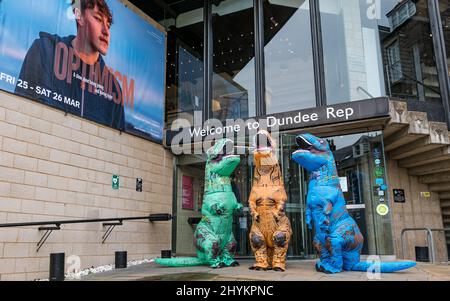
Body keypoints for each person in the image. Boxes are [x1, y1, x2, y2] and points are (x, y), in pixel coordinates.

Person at [15, 0, 124, 130]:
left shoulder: (113, 88)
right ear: (79, 17)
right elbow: (19, 111)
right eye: (98, 19)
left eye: (108, 25)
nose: (106, 31)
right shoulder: (44, 50)